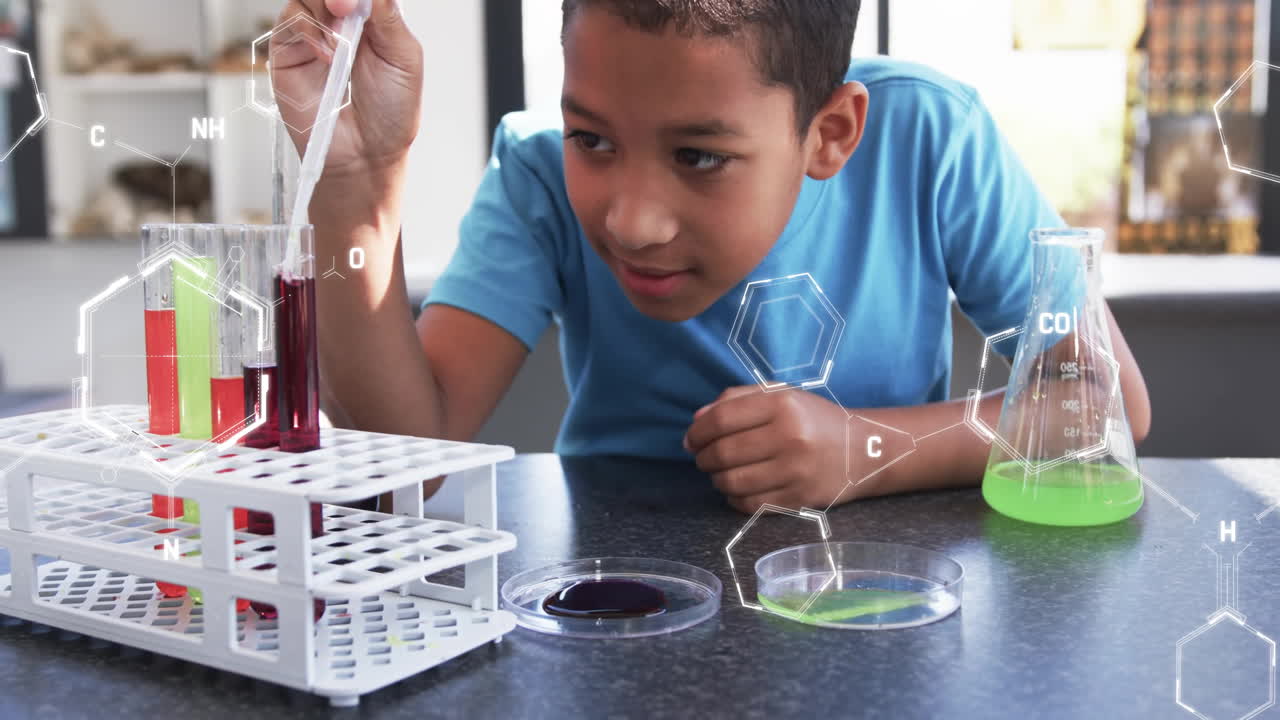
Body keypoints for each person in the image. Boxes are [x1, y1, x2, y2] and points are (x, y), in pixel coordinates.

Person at [273, 0, 1151, 513]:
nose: (633, 220)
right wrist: (354, 192)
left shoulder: (934, 137)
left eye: (699, 156)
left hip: (878, 598)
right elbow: (400, 466)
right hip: (618, 603)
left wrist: (865, 449)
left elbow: (1108, 408)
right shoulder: (537, 171)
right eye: (594, 138)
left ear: (830, 133)